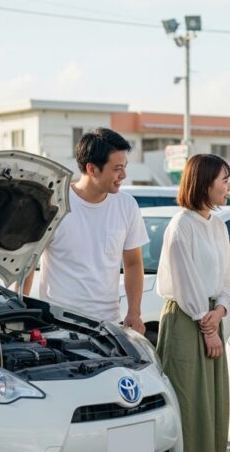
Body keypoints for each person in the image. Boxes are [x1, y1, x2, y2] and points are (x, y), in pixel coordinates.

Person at [156, 154, 230, 452]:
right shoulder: (181, 225)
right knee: (186, 400)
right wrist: (208, 326)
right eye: (223, 179)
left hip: (208, 317)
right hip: (187, 321)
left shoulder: (216, 224)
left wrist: (219, 312)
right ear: (203, 182)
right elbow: (186, 282)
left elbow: (228, 276)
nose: (228, 186)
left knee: (206, 401)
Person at [30, 127, 148, 331]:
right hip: (59, 323)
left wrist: (134, 312)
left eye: (124, 167)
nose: (123, 175)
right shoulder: (54, 204)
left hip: (109, 324)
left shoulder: (127, 205)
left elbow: (133, 264)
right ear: (92, 168)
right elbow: (28, 264)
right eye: (117, 168)